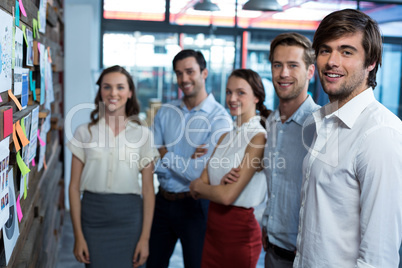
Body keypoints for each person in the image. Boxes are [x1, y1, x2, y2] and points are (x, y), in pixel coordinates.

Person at [294, 9, 402, 267]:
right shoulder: (324, 121)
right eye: (325, 50)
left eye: (346, 51)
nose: (332, 61)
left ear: (371, 62)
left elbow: (378, 258)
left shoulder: (380, 135)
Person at [147, 49, 232, 268]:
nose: (184, 79)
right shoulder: (165, 112)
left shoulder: (219, 118)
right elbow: (151, 161)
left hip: (196, 205)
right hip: (162, 203)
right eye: (178, 73)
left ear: (204, 73)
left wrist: (167, 154)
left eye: (190, 71)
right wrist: (186, 160)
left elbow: (199, 173)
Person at [68, 65, 158, 268]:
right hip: (92, 218)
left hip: (130, 220)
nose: (113, 93)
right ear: (100, 91)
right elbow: (73, 187)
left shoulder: (143, 135)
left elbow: (148, 190)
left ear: (130, 92)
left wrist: (144, 239)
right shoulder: (84, 132)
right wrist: (78, 236)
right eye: (107, 87)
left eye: (120, 87)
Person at [189, 69, 271, 267]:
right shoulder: (225, 137)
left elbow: (225, 196)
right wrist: (215, 187)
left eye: (240, 92)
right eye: (228, 92)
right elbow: (195, 188)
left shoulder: (259, 137)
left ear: (257, 97)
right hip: (213, 231)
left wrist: (207, 188)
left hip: (239, 236)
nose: (232, 98)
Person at [259, 32, 319, 267]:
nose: (283, 73)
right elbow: (276, 183)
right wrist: (267, 223)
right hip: (272, 251)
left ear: (310, 72)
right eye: (277, 65)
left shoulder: (320, 125)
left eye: (293, 65)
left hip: (304, 258)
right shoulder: (272, 122)